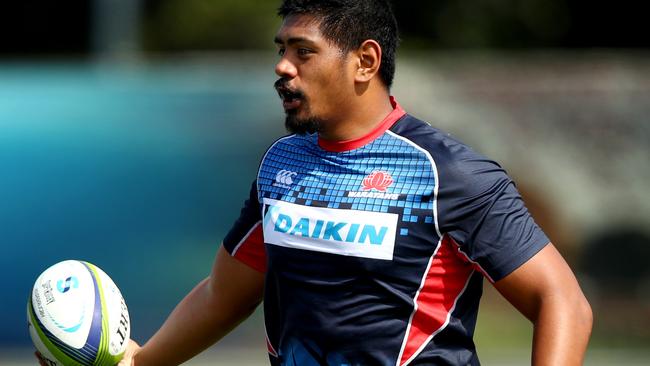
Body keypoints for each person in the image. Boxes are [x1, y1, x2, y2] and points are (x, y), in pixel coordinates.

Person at [47, 1, 591, 365]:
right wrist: (140, 362)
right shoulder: (282, 164)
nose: (283, 67)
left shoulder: (449, 173)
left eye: (303, 52)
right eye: (281, 50)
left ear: (365, 61)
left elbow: (561, 300)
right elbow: (223, 293)